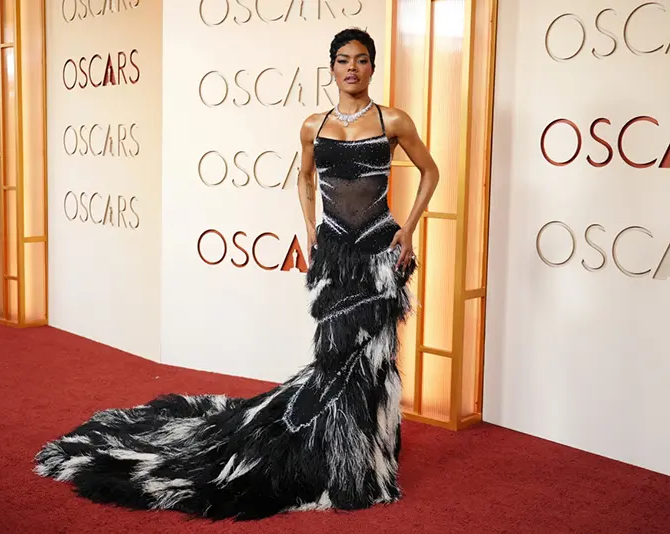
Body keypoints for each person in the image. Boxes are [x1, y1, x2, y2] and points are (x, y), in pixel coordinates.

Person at [33, 28, 439, 521]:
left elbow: (430, 172)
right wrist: (311, 227)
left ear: (373, 67)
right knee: (335, 359)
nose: (351, 67)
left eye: (360, 60)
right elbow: (305, 177)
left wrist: (410, 230)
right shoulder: (313, 125)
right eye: (342, 60)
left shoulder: (393, 120)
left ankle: (370, 461)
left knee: (375, 360)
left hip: (378, 254)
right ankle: (337, 455)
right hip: (334, 256)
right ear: (331, 68)